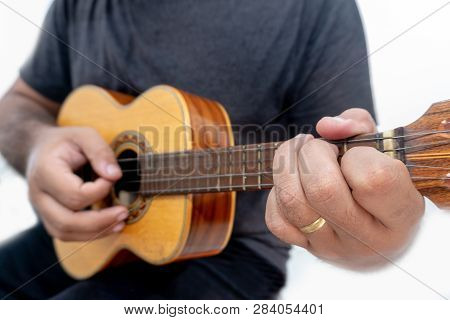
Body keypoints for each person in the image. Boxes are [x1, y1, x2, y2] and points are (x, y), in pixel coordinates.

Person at [0, 0, 424, 299]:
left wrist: (376, 237)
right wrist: (37, 146)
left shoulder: (313, 8)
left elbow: (358, 202)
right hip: (80, 236)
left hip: (227, 261)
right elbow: (22, 103)